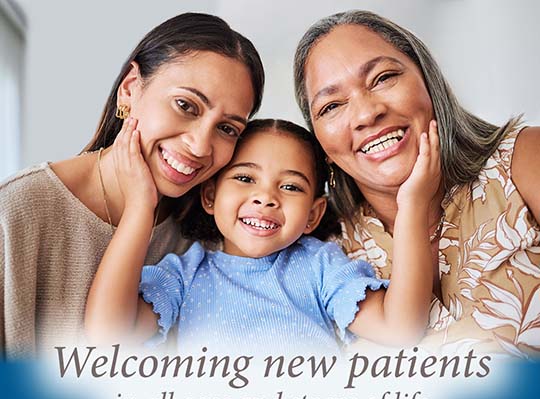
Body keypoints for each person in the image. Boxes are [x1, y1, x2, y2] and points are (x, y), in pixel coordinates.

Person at [0, 13, 264, 359]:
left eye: (227, 128)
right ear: (129, 90)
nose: (200, 146)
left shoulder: (210, 237)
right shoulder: (15, 211)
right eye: (186, 105)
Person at [293, 10, 540, 357]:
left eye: (383, 78)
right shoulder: (324, 252)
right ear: (322, 146)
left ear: (428, 81)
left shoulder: (524, 159)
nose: (366, 114)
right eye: (332, 105)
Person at [85, 118, 441, 355]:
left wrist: (412, 205)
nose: (266, 197)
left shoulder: (319, 266)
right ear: (210, 196)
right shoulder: (184, 273)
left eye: (289, 186)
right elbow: (107, 337)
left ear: (312, 216)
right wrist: (139, 209)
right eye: (244, 178)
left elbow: (400, 328)